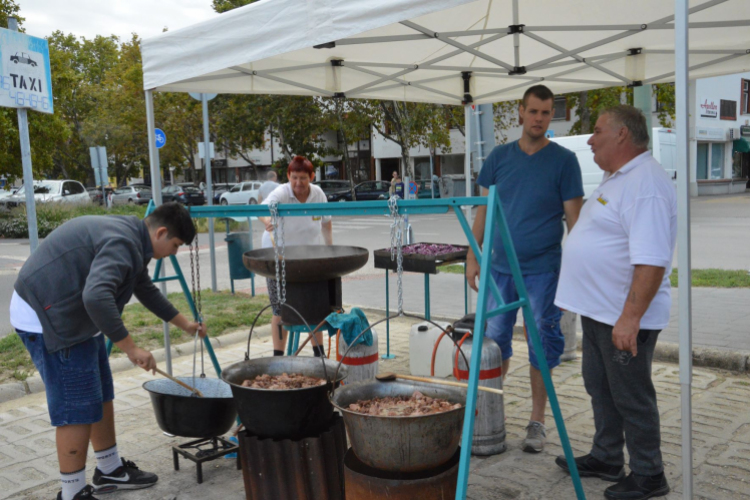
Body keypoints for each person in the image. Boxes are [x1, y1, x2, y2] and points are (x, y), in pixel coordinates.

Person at [10, 202, 206, 500]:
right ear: (162, 232)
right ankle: (72, 492)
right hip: (49, 318)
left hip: (72, 314)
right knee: (77, 410)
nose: (174, 252)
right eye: (176, 245)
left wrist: (186, 325)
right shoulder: (124, 242)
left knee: (100, 393)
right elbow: (96, 296)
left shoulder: (133, 238)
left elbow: (146, 290)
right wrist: (131, 348)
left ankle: (110, 470)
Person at [554, 105, 676, 500]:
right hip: (598, 311)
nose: (590, 138)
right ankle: (607, 456)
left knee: (631, 395)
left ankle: (648, 474)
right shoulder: (617, 178)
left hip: (622, 317)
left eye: (598, 130)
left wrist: (630, 317)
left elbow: (652, 259)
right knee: (599, 386)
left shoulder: (647, 184)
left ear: (623, 134)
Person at [465, 84, 584, 453]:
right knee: (493, 343)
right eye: (533, 112)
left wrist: (575, 274)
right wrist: (473, 254)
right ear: (520, 111)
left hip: (543, 271)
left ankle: (537, 421)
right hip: (499, 270)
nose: (539, 119)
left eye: (546, 113)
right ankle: (489, 415)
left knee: (541, 344)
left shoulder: (564, 161)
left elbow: (575, 222)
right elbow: (483, 209)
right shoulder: (499, 157)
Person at [259, 156, 333, 357]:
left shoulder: (318, 194)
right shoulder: (281, 192)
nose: (298, 183)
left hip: (307, 256)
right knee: (279, 308)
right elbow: (261, 209)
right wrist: (266, 220)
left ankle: (319, 354)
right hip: (279, 256)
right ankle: (278, 357)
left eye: (303, 178)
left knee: (314, 307)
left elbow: (326, 222)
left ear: (312, 176)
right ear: (288, 176)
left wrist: (329, 249)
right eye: (294, 178)